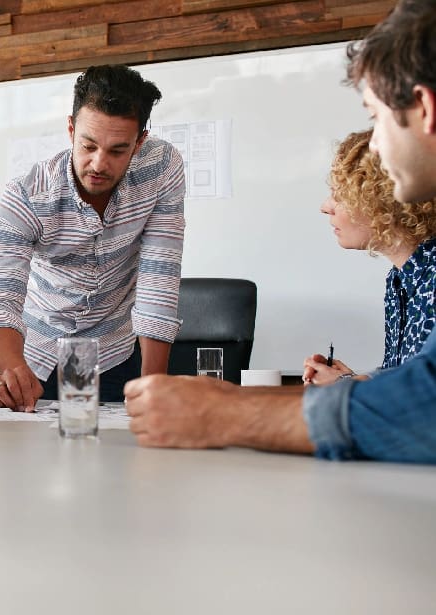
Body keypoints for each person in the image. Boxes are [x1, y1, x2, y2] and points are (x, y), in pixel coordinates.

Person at [125, 0, 436, 463]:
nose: (375, 147)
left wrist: (225, 413)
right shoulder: (404, 279)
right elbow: (419, 383)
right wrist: (352, 387)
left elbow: (422, 410)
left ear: (424, 109)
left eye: (376, 118)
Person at [0, 64, 185, 411]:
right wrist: (11, 368)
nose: (99, 164)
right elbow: (0, 296)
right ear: (71, 129)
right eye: (88, 145)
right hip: (41, 355)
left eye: (117, 150)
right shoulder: (26, 195)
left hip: (115, 350)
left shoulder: (161, 167)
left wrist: (152, 386)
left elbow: (159, 277)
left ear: (139, 141)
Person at [303, 130, 436, 385]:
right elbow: (404, 382)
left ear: (383, 203)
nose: (325, 206)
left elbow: (421, 406)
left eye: (340, 195)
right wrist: (349, 380)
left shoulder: (432, 282)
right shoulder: (400, 278)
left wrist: (346, 387)